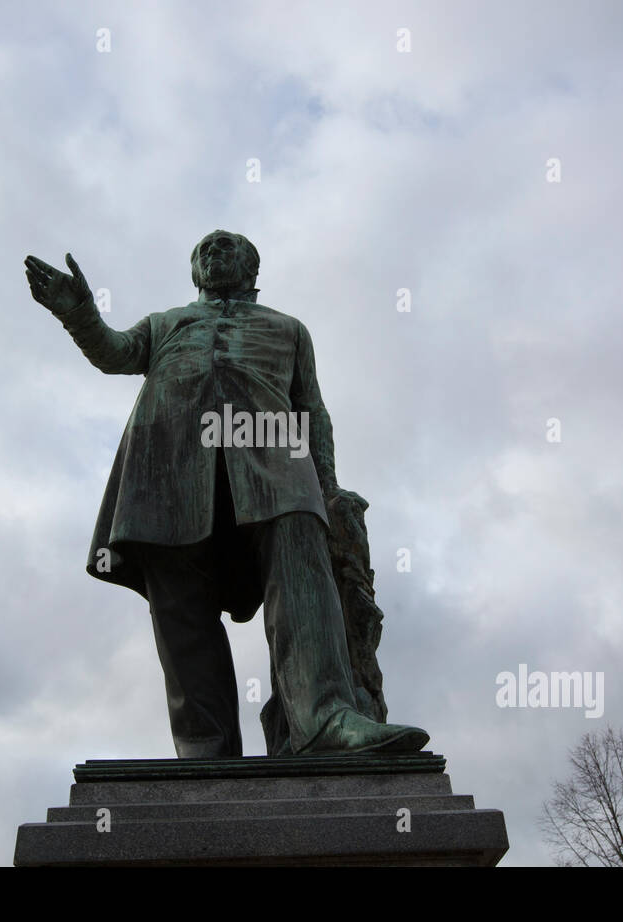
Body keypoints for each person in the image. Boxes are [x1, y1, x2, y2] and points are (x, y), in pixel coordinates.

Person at [24, 230, 428, 757]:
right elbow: (115, 352)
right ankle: (204, 746)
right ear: (194, 271)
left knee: (301, 555)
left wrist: (327, 487)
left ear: (253, 268)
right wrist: (78, 313)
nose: (213, 254)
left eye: (226, 247)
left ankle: (326, 719)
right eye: (203, 250)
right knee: (177, 597)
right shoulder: (166, 323)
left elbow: (313, 410)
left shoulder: (288, 329)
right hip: (167, 460)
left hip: (274, 458)